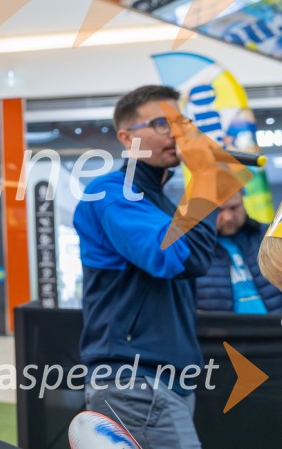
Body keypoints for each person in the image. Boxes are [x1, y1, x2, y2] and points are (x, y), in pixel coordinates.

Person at [73, 85, 221, 449]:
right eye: (161, 123)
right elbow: (180, 256)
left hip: (167, 379)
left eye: (181, 123)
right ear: (127, 137)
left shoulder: (162, 200)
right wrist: (204, 176)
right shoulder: (112, 194)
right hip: (135, 380)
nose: (176, 133)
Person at [197, 191, 282, 313]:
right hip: (225, 331)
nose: (228, 217)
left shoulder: (270, 238)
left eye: (234, 207)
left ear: (243, 200)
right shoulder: (196, 251)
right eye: (218, 211)